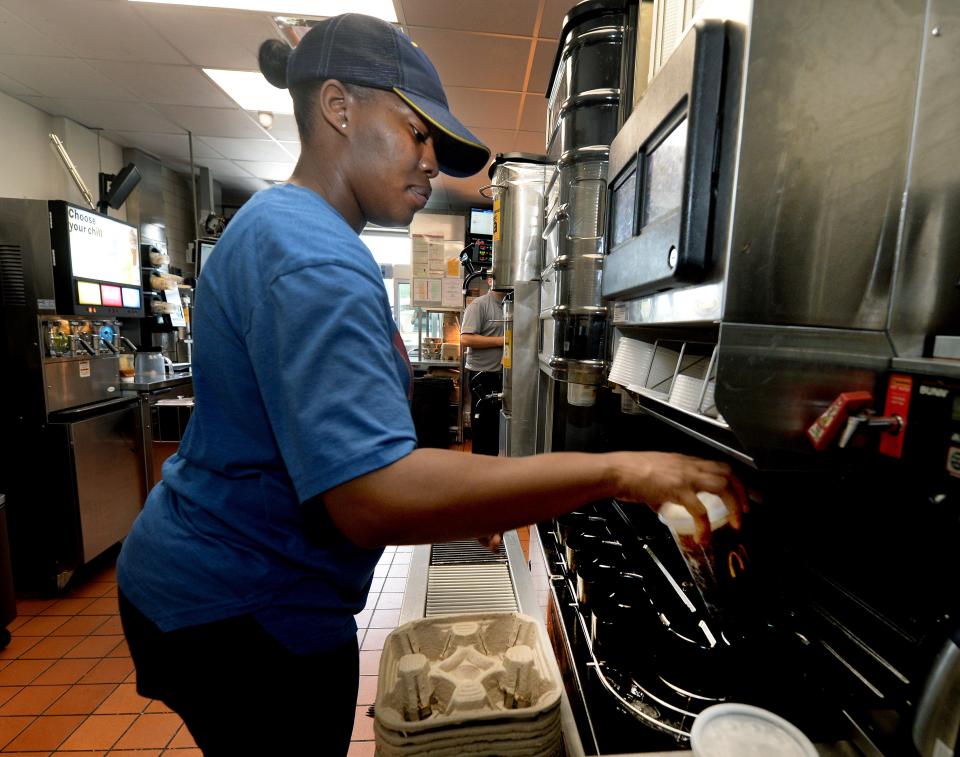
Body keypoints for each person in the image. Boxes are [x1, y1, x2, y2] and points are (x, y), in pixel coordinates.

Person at [116, 13, 748, 757]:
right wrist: (619, 470)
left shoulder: (281, 227)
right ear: (338, 108)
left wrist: (469, 496)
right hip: (243, 605)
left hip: (199, 576)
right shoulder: (314, 255)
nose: (431, 165)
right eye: (417, 134)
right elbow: (370, 496)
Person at [460, 274, 506, 455]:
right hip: (483, 376)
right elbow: (465, 338)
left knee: (497, 426)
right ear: (489, 280)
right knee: (483, 427)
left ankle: (495, 470)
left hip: (503, 375)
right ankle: (480, 469)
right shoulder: (479, 305)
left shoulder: (511, 305)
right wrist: (502, 341)